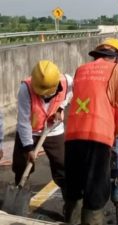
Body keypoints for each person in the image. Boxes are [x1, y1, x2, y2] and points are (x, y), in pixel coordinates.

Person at [64, 38, 118, 225]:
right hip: (99, 136)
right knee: (95, 189)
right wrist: (115, 132)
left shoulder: (81, 69)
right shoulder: (117, 70)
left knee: (74, 187)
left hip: (72, 135)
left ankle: (71, 220)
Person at [12, 60, 73, 197]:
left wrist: (60, 108)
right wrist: (28, 148)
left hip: (53, 129)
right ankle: (20, 193)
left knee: (62, 164)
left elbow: (70, 94)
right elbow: (23, 121)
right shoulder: (25, 89)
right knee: (21, 165)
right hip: (29, 131)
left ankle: (70, 203)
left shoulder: (67, 81)